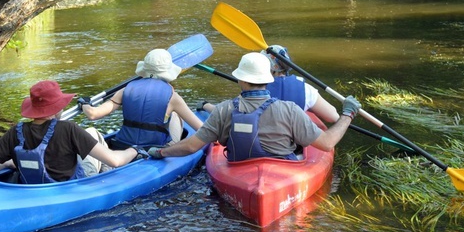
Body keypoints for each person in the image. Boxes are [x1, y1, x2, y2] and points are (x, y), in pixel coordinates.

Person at [147, 52, 361, 161]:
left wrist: (162, 152)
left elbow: (191, 146)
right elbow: (327, 143)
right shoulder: (290, 109)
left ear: (240, 80)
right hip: (282, 172)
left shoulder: (224, 110)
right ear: (268, 79)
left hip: (239, 169)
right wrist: (348, 114)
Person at [0, 80, 138, 183]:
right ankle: (106, 183)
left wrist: (11, 162)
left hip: (33, 188)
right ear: (55, 109)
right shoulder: (68, 129)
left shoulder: (14, 132)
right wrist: (133, 150)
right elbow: (115, 160)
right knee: (93, 133)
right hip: (69, 187)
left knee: (89, 133)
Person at [80, 49, 204, 149]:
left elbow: (93, 115)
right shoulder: (173, 97)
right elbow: (203, 130)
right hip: (154, 149)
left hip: (122, 145)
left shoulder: (125, 90)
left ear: (144, 68)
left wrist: (84, 103)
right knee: (176, 114)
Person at [198, 45, 339, 124]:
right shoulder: (306, 89)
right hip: (293, 150)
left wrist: (205, 105)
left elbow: (225, 112)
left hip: (258, 146)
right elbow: (333, 117)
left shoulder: (253, 88)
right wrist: (309, 107)